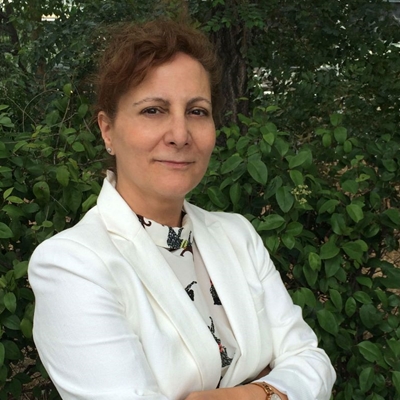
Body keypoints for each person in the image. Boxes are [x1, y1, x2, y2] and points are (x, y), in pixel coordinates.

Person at [28, 19, 336, 400]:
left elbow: (313, 361)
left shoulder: (237, 235)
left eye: (197, 111)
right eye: (153, 110)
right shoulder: (72, 264)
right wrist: (275, 381)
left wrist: (244, 395)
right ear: (107, 130)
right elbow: (302, 379)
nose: (179, 134)